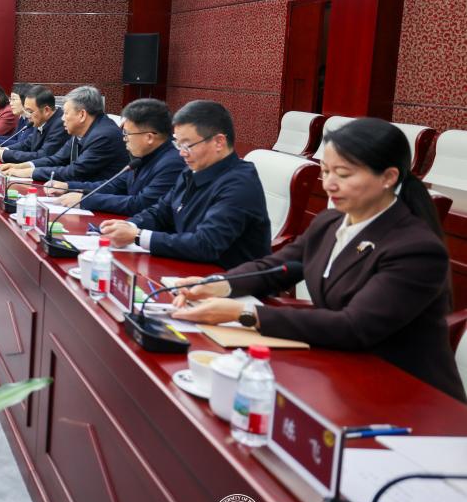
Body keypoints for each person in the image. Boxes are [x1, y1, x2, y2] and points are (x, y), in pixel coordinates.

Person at [171, 118, 465, 402]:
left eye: (344, 174)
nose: (329, 184)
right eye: (326, 171)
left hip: (407, 393)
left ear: (388, 177)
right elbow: (277, 267)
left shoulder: (416, 248)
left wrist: (243, 314)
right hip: (342, 369)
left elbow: (354, 326)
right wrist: (218, 284)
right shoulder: (330, 222)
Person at [100, 100, 270, 269]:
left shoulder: (240, 185)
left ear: (219, 142)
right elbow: (161, 212)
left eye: (187, 145)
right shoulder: (192, 170)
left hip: (226, 278)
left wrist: (138, 236)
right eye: (178, 144)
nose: (181, 153)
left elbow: (205, 244)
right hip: (186, 266)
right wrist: (129, 225)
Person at [45, 99, 184, 216]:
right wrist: (68, 186)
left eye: (127, 134)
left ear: (149, 137)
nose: (124, 139)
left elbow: (140, 204)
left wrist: (85, 200)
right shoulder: (143, 157)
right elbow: (113, 185)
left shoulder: (171, 164)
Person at [1, 85, 126, 183]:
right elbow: (57, 159)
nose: (62, 118)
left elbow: (75, 171)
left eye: (66, 113)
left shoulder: (103, 135)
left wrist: (30, 172)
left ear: (82, 114)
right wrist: (21, 166)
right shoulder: (83, 129)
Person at [0, 86, 68, 163]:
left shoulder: (60, 125)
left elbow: (42, 156)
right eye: (26, 110)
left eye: (30, 111)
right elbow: (26, 144)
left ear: (46, 110)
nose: (27, 115)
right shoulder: (40, 119)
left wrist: (4, 155)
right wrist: (4, 149)